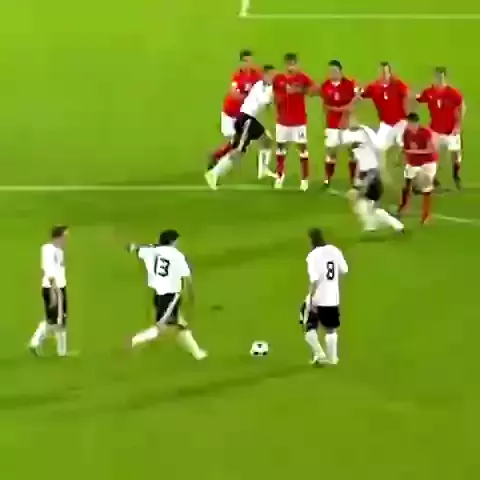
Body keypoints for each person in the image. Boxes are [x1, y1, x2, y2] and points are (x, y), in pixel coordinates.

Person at [128, 229, 207, 360]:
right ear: (172, 242)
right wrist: (192, 295)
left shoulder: (151, 251)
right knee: (162, 328)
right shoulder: (177, 256)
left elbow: (137, 249)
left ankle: (197, 353)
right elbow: (187, 278)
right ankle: (136, 340)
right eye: (176, 241)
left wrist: (133, 247)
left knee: (180, 325)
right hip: (170, 296)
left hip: (158, 294)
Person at [205, 65, 276, 190]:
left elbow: (267, 104)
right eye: (271, 75)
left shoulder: (267, 87)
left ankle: (263, 170)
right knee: (239, 150)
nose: (273, 77)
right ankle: (214, 173)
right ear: (264, 75)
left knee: (267, 141)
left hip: (249, 119)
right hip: (246, 119)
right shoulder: (259, 87)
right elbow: (265, 101)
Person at [210, 50, 268, 175]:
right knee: (235, 143)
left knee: (238, 142)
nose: (248, 64)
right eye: (245, 61)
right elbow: (233, 93)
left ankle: (217, 161)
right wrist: (249, 97)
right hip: (230, 113)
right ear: (241, 62)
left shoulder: (257, 74)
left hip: (242, 115)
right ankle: (216, 159)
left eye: (250, 61)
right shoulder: (237, 76)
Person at [341, 123, 405, 233]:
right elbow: (360, 169)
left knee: (365, 207)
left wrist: (363, 187)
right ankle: (375, 225)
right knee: (364, 207)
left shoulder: (367, 155)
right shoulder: (361, 154)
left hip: (374, 184)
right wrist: (356, 183)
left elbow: (373, 173)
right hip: (369, 181)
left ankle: (392, 224)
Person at [300, 228, 348, 365]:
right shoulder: (334, 250)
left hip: (318, 298)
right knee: (330, 330)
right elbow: (344, 270)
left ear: (311, 240)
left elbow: (314, 280)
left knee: (308, 326)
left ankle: (320, 354)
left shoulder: (313, 256)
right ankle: (332, 358)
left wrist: (310, 299)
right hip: (333, 297)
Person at [416, 67, 466, 190]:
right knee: (431, 156)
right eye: (438, 76)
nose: (439, 79)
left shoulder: (453, 93)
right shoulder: (429, 92)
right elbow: (419, 99)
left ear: (445, 77)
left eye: (441, 77)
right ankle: (433, 179)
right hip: (435, 130)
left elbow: (462, 106)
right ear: (434, 77)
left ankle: (455, 175)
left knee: (455, 155)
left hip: (451, 131)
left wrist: (458, 126)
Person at [272, 53, 314, 191]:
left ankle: (304, 179)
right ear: (285, 64)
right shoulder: (278, 79)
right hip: (282, 121)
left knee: (302, 149)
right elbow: (275, 99)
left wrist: (301, 90)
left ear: (297, 64)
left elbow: (314, 91)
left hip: (299, 121)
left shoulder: (303, 78)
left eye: (293, 64)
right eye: (289, 64)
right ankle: (279, 176)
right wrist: (286, 93)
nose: (291, 66)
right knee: (280, 149)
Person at [29, 225, 70, 357]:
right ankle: (36, 342)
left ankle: (61, 351)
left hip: (57, 287)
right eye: (65, 237)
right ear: (58, 237)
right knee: (56, 321)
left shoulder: (57, 250)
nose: (66, 240)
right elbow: (49, 272)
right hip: (54, 288)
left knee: (56, 320)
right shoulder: (50, 251)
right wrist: (54, 293)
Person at [316, 60, 358, 186]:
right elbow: (325, 107)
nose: (332, 73)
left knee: (352, 152)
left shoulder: (350, 84)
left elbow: (353, 104)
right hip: (332, 125)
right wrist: (342, 108)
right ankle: (328, 178)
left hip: (348, 124)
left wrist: (342, 112)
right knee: (331, 152)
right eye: (330, 71)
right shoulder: (325, 86)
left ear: (340, 71)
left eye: (334, 70)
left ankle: (353, 179)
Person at [398, 112, 438, 224]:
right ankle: (404, 206)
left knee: (426, 189)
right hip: (413, 163)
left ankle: (426, 215)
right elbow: (405, 148)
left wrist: (413, 152)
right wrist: (402, 157)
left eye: (409, 123)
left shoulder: (425, 133)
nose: (408, 125)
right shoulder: (406, 133)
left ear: (415, 123)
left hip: (427, 163)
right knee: (407, 184)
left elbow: (430, 149)